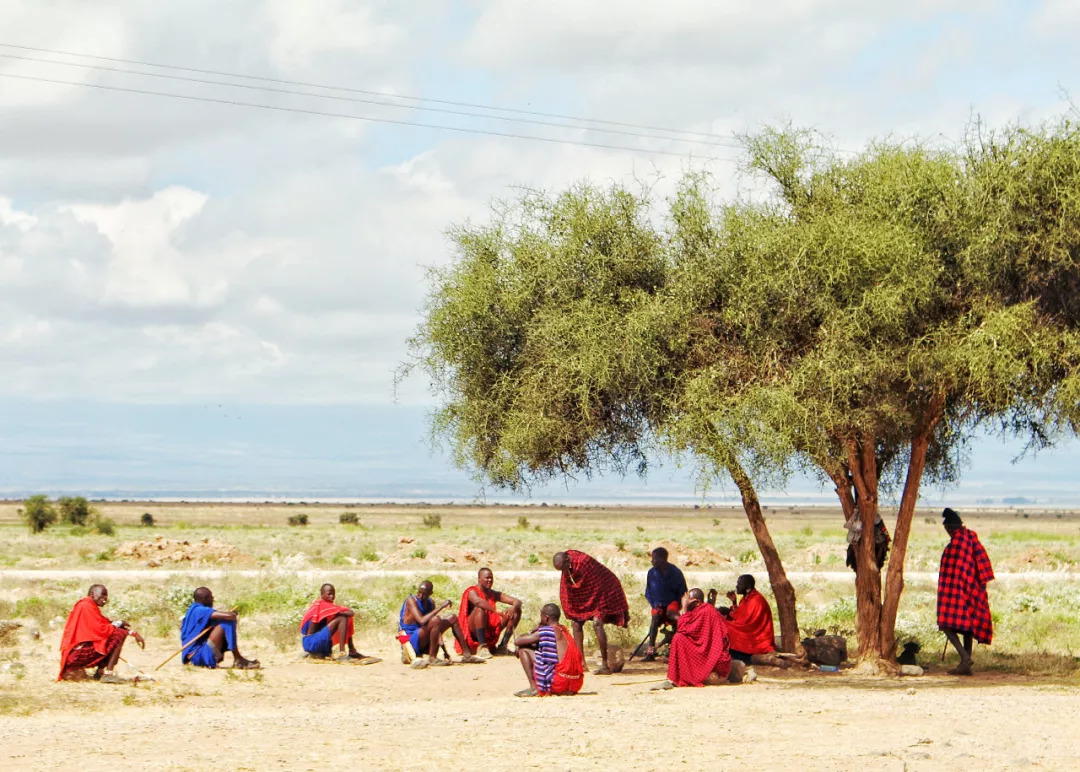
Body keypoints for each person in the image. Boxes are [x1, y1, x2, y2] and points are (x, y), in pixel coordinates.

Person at [937, 507, 994, 675]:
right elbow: (982, 566)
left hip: (959, 591)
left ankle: (964, 657)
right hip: (975, 589)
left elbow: (952, 574)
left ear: (949, 528)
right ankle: (965, 665)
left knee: (945, 623)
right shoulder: (971, 538)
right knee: (967, 626)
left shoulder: (956, 545)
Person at [553, 550, 630, 675]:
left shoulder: (583, 562)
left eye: (564, 568)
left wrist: (592, 605)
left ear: (568, 560)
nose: (564, 572)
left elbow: (597, 584)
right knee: (576, 623)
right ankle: (581, 663)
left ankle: (605, 665)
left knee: (597, 623)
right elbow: (568, 589)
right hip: (589, 594)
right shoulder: (567, 569)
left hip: (605, 591)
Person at [653, 588, 743, 689]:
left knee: (678, 637)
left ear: (697, 602)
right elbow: (691, 635)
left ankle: (687, 676)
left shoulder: (705, 611)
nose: (686, 600)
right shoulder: (700, 611)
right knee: (680, 638)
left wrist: (684, 607)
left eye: (689, 599)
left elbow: (683, 627)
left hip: (715, 661)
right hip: (705, 653)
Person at [58, 584, 145, 682]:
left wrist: (131, 632)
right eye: (102, 595)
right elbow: (101, 629)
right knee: (119, 634)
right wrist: (127, 630)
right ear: (92, 594)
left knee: (117, 632)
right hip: (76, 655)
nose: (105, 599)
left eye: (106, 597)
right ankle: (108, 674)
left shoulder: (89, 605)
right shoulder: (85, 606)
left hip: (77, 653)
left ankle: (100, 672)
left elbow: (104, 623)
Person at [400, 580, 484, 668]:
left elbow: (436, 629)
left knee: (453, 618)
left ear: (430, 593)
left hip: (424, 639)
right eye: (419, 592)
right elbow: (421, 620)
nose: (420, 596)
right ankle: (432, 658)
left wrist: (445, 651)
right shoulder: (411, 600)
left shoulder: (430, 603)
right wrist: (441, 607)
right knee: (435, 619)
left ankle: (467, 655)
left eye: (424, 594)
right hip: (410, 639)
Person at [513, 603, 585, 697]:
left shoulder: (547, 631)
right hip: (575, 683)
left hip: (559, 683)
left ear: (546, 617)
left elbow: (517, 641)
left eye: (541, 616)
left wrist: (531, 631)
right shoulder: (564, 629)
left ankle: (534, 687)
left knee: (523, 649)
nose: (541, 619)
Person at [179, 587, 260, 669]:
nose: (213, 598)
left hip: (198, 655)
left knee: (224, 621)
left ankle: (237, 659)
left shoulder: (193, 609)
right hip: (198, 656)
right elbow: (229, 616)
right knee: (226, 622)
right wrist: (232, 614)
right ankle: (238, 659)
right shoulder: (199, 610)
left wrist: (230, 615)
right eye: (211, 596)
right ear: (205, 599)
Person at [455, 567, 523, 657]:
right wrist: (497, 611)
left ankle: (502, 646)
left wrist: (513, 607)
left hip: (490, 628)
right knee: (479, 610)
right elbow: (478, 601)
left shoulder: (493, 593)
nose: (490, 580)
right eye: (487, 578)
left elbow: (517, 601)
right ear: (479, 578)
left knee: (516, 611)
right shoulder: (472, 591)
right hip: (474, 630)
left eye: (491, 578)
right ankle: (482, 647)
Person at [300, 583, 367, 661]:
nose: (332, 596)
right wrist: (337, 613)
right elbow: (349, 613)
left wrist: (336, 613)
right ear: (322, 595)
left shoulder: (329, 608)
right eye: (329, 594)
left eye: (333, 594)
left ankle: (352, 650)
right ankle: (342, 652)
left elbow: (350, 613)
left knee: (345, 618)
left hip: (320, 644)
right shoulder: (320, 606)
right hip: (312, 643)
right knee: (342, 618)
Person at [643, 547, 687, 661]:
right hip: (657, 604)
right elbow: (648, 592)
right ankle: (650, 651)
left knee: (674, 616)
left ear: (662, 559)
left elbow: (683, 592)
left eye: (654, 558)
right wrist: (654, 604)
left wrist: (682, 607)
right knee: (655, 617)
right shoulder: (651, 573)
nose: (652, 561)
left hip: (672, 602)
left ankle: (677, 650)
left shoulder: (675, 572)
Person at [722, 574, 775, 663]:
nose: (737, 587)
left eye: (739, 584)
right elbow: (740, 614)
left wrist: (726, 618)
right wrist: (734, 602)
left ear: (748, 586)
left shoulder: (756, 600)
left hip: (756, 637)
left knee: (724, 627)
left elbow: (743, 622)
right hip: (749, 631)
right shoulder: (747, 598)